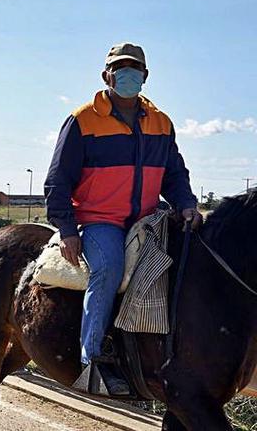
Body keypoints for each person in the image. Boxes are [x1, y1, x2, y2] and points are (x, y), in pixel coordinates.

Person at [44, 42, 201, 395]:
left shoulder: (161, 122)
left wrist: (187, 204)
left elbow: (174, 174)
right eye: (120, 69)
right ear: (107, 75)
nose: (127, 75)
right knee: (110, 267)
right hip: (100, 220)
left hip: (147, 219)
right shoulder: (82, 120)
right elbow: (58, 180)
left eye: (135, 69)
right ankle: (93, 359)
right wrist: (68, 229)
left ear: (145, 76)